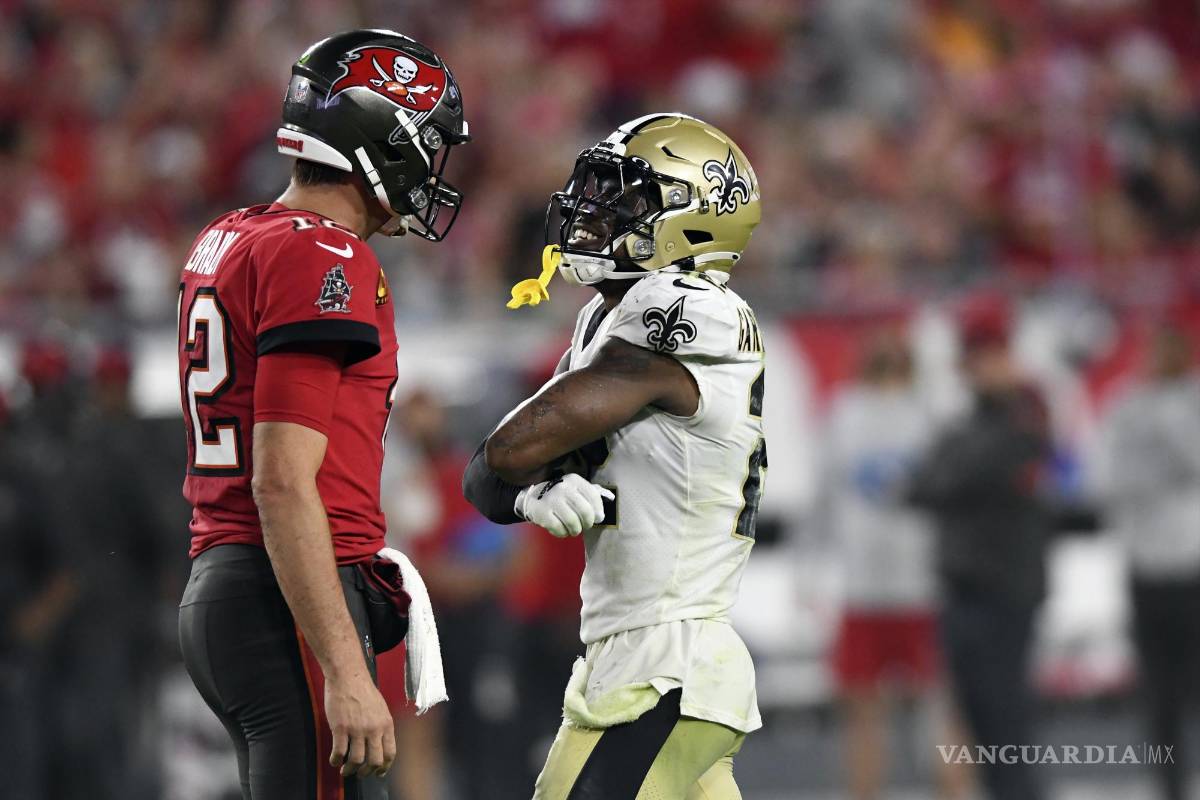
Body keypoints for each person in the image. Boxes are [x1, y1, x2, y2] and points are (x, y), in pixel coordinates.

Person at [175, 29, 469, 800]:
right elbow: (280, 480)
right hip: (287, 594)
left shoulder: (229, 235)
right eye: (428, 144)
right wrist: (343, 667)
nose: (433, 168)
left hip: (236, 582)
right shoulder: (322, 255)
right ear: (385, 139)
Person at [464, 113, 765, 799]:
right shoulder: (607, 317)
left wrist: (527, 476)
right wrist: (530, 493)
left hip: (666, 663)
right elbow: (484, 478)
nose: (593, 212)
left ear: (692, 219)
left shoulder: (689, 308)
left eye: (623, 198)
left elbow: (510, 447)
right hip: (637, 657)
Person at [907, 308, 1051, 800]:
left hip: (1007, 591)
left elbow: (963, 473)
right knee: (978, 725)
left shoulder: (1026, 414)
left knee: (1007, 723)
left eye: (990, 356)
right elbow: (922, 485)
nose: (981, 368)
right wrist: (952, 475)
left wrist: (952, 474)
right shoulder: (967, 423)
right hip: (961, 590)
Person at [823, 332, 966, 800]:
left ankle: (954, 790)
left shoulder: (927, 415)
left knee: (938, 712)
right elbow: (824, 494)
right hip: (866, 589)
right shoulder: (843, 415)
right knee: (867, 713)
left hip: (920, 586)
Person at [1102, 322, 1200, 800]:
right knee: (1158, 689)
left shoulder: (1193, 401)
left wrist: (1168, 425)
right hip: (1145, 564)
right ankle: (1169, 784)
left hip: (1192, 562)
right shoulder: (1127, 404)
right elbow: (1106, 473)